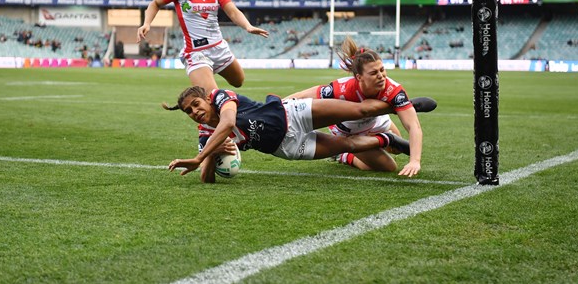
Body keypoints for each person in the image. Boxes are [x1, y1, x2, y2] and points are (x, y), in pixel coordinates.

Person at [165, 86, 410, 183]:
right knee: (348, 145)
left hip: (291, 113)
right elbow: (207, 179)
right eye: (189, 111)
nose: (195, 112)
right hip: (287, 147)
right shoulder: (205, 136)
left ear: (207, 99)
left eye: (196, 104)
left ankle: (402, 104)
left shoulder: (220, 96)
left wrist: (198, 158)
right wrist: (209, 156)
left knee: (359, 111)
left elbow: (228, 122)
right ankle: (386, 139)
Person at [285, 36, 432, 177]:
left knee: (396, 149)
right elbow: (306, 94)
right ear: (359, 77)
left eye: (382, 69)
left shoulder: (393, 90)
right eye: (374, 73)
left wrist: (415, 161)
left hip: (377, 121)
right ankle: (343, 155)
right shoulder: (342, 88)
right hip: (349, 132)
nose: (381, 76)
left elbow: (414, 126)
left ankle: (378, 139)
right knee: (389, 167)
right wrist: (279, 105)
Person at [137, 0, 269, 93]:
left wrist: (247, 26)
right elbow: (155, 3)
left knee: (238, 81)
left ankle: (205, 80)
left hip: (218, 47)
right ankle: (203, 86)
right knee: (213, 97)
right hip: (196, 52)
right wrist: (147, 23)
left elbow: (232, 11)